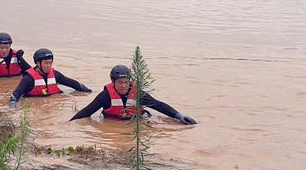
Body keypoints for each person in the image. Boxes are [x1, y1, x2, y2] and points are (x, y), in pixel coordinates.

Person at [69, 65, 197, 124]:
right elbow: (87, 111)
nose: (124, 86)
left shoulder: (137, 93)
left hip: (137, 121)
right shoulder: (105, 96)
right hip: (113, 123)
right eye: (120, 82)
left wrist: (179, 116)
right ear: (113, 82)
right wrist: (70, 123)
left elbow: (158, 105)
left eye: (126, 82)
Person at [10, 48, 91, 108]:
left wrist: (88, 91)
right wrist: (13, 108)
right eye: (46, 63)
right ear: (38, 63)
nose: (49, 66)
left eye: (50, 62)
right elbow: (15, 96)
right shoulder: (28, 79)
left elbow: (75, 84)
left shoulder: (56, 75)